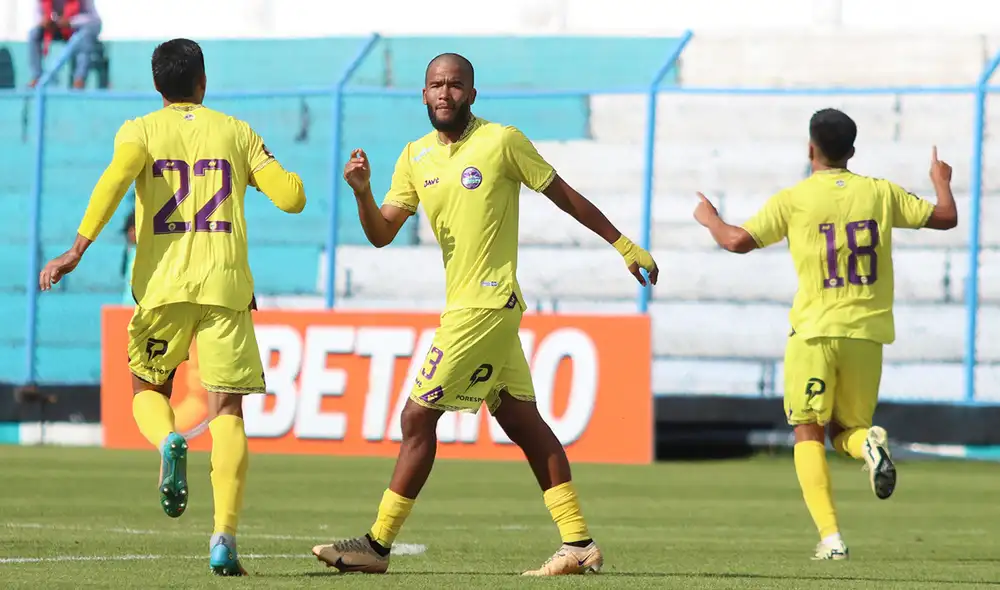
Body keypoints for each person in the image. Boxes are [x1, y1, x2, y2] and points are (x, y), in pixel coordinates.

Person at [310, 53, 659, 577]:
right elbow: (381, 234)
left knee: (416, 418)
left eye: (455, 84)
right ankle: (579, 544)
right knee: (521, 421)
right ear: (423, 94)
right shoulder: (414, 156)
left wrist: (623, 244)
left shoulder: (501, 141)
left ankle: (376, 546)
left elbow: (564, 196)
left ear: (472, 93)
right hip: (472, 308)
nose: (445, 92)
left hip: (486, 306)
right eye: (436, 84)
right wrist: (362, 193)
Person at [38, 38, 306, 576]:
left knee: (147, 390)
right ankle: (224, 537)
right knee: (227, 412)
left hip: (162, 288)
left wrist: (76, 250)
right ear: (203, 82)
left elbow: (114, 181)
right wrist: (261, 168)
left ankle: (168, 441)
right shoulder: (237, 132)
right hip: (226, 289)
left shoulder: (139, 131)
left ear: (157, 85)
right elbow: (293, 198)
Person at [693, 108, 957, 560]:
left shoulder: (795, 199)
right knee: (848, 431)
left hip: (814, 333)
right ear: (852, 151)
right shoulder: (880, 192)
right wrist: (941, 180)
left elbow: (736, 241)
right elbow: (945, 217)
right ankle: (868, 445)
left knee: (808, 432)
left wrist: (709, 218)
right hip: (867, 333)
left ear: (810, 148)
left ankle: (831, 539)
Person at [27, 0, 102, 89]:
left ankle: (79, 80)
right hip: (54, 28)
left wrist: (71, 22)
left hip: (75, 30)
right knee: (34, 33)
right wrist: (44, 22)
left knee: (85, 37)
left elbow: (95, 20)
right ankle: (37, 77)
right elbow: (37, 15)